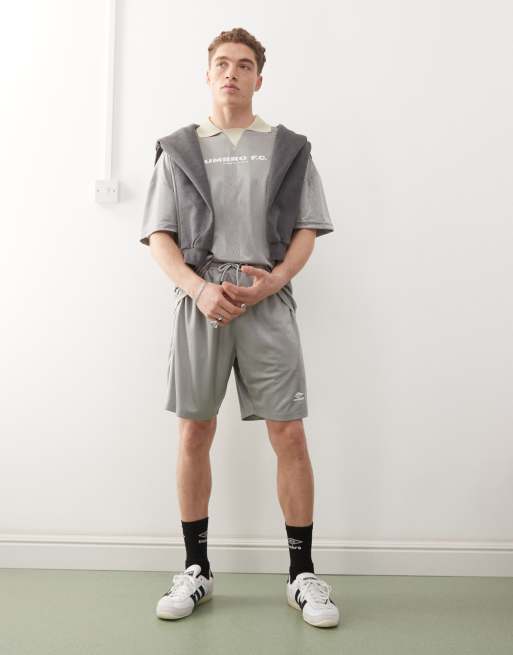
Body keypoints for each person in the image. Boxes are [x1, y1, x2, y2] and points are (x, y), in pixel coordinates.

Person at [140, 27, 340, 629]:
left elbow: (307, 228)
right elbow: (160, 236)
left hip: (267, 301)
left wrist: (275, 281)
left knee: (290, 434)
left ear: (259, 77)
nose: (232, 73)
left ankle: (301, 573)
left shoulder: (289, 148)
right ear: (208, 74)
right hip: (201, 300)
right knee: (194, 431)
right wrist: (199, 289)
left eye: (244, 64)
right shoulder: (178, 149)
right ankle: (195, 568)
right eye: (223, 64)